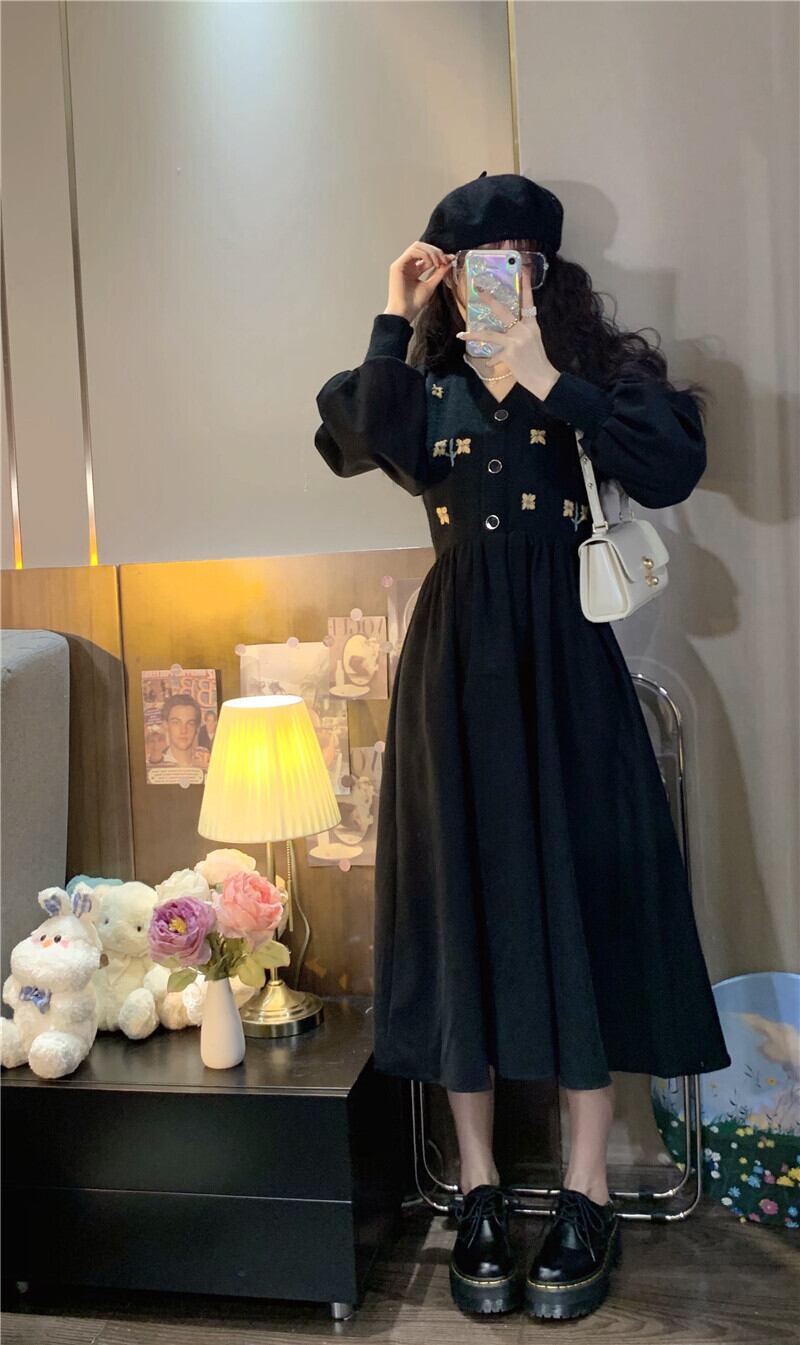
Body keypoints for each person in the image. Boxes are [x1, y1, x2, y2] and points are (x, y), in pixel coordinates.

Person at [313, 173, 731, 1321]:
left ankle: (587, 1187)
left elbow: (672, 459)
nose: (498, 280)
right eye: (473, 265)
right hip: (453, 679)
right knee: (462, 912)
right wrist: (394, 311)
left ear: (548, 273)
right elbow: (351, 433)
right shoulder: (426, 389)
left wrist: (549, 376)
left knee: (584, 907)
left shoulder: (584, 382)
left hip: (567, 676)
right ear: (448, 278)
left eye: (518, 261)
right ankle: (480, 1188)